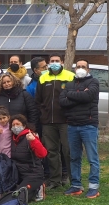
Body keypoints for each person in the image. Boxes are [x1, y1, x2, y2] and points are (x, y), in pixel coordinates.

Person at [59, 59, 100, 198]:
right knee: (74, 157)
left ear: (88, 69)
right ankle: (76, 185)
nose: (81, 68)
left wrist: (71, 94)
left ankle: (94, 187)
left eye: (84, 66)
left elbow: (88, 96)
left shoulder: (94, 82)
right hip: (72, 125)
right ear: (75, 69)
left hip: (88, 125)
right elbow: (62, 101)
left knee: (92, 158)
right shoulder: (69, 84)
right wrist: (80, 96)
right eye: (78, 66)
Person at [35, 53, 74, 189]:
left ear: (62, 62)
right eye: (52, 61)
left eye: (57, 61)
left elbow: (74, 98)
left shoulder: (70, 76)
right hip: (48, 122)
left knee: (68, 151)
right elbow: (38, 100)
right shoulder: (43, 77)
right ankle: (55, 180)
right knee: (51, 151)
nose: (54, 63)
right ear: (48, 63)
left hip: (65, 121)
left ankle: (73, 179)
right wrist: (43, 114)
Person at [10, 114, 47, 201]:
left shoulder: (30, 136)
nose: (15, 127)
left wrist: (34, 141)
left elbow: (43, 154)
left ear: (24, 125)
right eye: (13, 125)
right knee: (11, 194)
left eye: (18, 124)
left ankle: (39, 187)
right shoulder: (12, 139)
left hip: (33, 173)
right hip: (19, 173)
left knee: (20, 197)